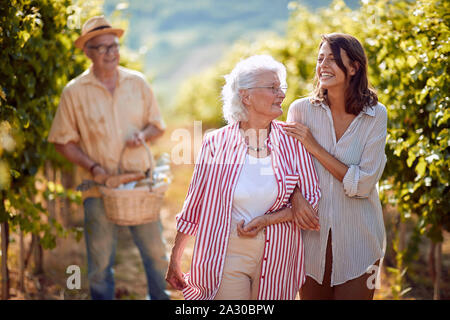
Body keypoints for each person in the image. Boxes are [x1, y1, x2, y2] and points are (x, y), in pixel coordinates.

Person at [165, 55, 321, 300]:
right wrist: (175, 258)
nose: (280, 94)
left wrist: (268, 220)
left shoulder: (293, 140)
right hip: (227, 252)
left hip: (279, 253)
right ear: (245, 96)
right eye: (272, 88)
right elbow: (194, 204)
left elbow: (312, 203)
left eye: (281, 87)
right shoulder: (216, 143)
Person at [48, 16, 169, 300]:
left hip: (140, 184)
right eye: (102, 48)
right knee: (100, 263)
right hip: (97, 186)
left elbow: (157, 125)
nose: (111, 53)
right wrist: (93, 167)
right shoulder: (74, 92)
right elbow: (61, 141)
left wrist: (143, 134)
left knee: (155, 253)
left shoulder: (137, 82)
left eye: (113, 46)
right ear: (87, 52)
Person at [283, 33, 387, 299]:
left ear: (354, 67)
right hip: (310, 241)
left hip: (360, 242)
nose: (323, 66)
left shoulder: (375, 115)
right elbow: (286, 170)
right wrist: (295, 198)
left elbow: (362, 185)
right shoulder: (300, 110)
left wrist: (314, 147)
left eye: (332, 59)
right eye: (320, 59)